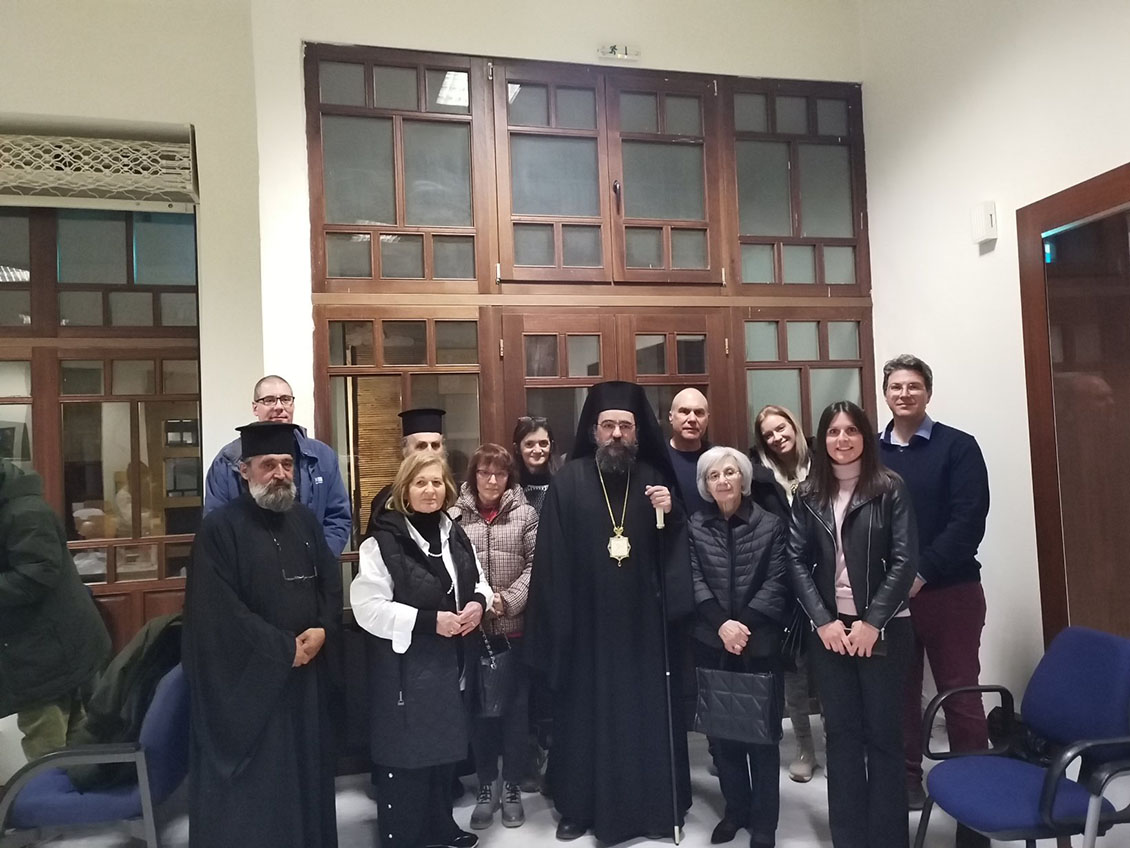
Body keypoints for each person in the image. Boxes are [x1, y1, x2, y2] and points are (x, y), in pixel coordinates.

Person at [526, 380, 693, 844]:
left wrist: (671, 515)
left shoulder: (654, 480)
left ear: (637, 433)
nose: (617, 434)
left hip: (644, 628)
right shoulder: (568, 481)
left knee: (644, 717)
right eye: (608, 426)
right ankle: (578, 807)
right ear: (593, 431)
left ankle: (653, 808)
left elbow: (675, 551)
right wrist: (560, 623)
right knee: (584, 716)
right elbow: (551, 557)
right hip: (586, 627)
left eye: (625, 426)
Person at [184, 421, 343, 848]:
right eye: (268, 464)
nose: (280, 474)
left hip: (306, 681)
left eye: (287, 464)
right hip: (254, 687)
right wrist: (282, 648)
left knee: (306, 775)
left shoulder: (305, 520)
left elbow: (330, 584)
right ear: (245, 470)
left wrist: (323, 629)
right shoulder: (219, 530)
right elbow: (220, 612)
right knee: (264, 791)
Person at [787, 401, 918, 848]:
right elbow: (795, 561)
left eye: (851, 430)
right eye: (833, 431)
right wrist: (823, 622)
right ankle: (849, 837)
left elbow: (904, 561)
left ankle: (888, 838)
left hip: (884, 627)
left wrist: (872, 622)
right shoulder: (808, 494)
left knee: (883, 734)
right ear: (821, 439)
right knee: (840, 735)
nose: (842, 439)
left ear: (864, 435)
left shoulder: (889, 487)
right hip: (829, 631)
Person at [351, 452, 493, 848]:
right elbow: (367, 608)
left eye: (436, 482)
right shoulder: (382, 542)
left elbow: (479, 581)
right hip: (405, 668)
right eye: (420, 483)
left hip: (450, 663)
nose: (430, 490)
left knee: (443, 749)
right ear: (404, 490)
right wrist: (429, 622)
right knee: (408, 755)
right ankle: (404, 837)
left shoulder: (455, 533)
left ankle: (442, 826)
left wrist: (478, 604)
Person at [878, 355, 991, 846]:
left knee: (960, 694)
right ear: (885, 393)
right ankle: (907, 778)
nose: (904, 394)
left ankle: (974, 792)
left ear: (928, 392)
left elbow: (968, 521)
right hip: (889, 597)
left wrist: (921, 573)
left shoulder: (958, 447)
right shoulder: (871, 450)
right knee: (899, 693)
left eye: (913, 386)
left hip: (950, 591)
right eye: (896, 387)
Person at [688, 446, 790, 848]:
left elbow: (778, 581)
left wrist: (741, 626)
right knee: (722, 737)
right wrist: (722, 626)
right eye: (714, 475)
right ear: (705, 484)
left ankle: (765, 823)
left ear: (743, 479)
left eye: (730, 472)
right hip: (712, 642)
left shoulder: (771, 525)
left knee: (762, 737)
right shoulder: (696, 525)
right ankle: (735, 811)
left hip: (758, 642)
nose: (723, 480)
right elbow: (693, 578)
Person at [451, 444, 538, 830]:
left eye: (499, 474)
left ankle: (513, 785)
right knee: (478, 714)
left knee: (516, 713)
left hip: (514, 631)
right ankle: (487, 784)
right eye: (484, 473)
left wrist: (506, 602)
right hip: (472, 633)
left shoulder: (525, 514)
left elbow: (537, 566)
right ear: (473, 476)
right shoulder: (454, 516)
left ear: (509, 477)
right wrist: (473, 604)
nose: (491, 480)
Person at [0, 460, 111, 761]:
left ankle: (53, 792)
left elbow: (34, 578)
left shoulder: (25, 512)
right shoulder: (14, 505)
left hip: (47, 653)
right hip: (46, 648)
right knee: (74, 743)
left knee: (47, 751)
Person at [203, 374, 352, 558]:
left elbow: (337, 517)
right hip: (251, 568)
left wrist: (321, 560)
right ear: (255, 408)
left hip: (311, 566)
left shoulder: (322, 457)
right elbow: (215, 524)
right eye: (269, 400)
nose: (279, 407)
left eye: (286, 399)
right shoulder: (227, 461)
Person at [750, 404, 821, 783]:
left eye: (781, 428)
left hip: (829, 581)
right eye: (769, 435)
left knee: (833, 672)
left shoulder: (823, 463)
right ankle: (805, 749)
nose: (777, 438)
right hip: (786, 587)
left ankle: (841, 744)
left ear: (794, 425)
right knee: (794, 673)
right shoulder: (759, 478)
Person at [365, 407, 446, 536]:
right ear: (404, 450)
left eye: (435, 445)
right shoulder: (385, 500)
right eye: (421, 446)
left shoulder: (457, 496)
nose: (429, 452)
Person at [666, 387, 712, 515]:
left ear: (707, 419)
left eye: (699, 413)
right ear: (671, 417)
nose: (692, 419)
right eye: (684, 412)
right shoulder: (657, 458)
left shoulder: (718, 459)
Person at [512, 415, 559, 516]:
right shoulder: (508, 486)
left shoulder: (563, 483)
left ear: (551, 446)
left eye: (543, 443)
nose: (537, 450)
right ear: (517, 448)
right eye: (529, 444)